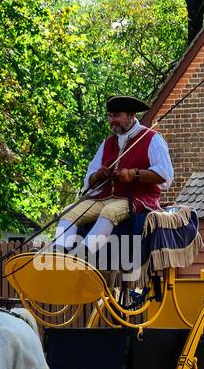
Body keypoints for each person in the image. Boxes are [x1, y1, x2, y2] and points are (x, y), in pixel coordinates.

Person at [53, 95, 173, 252]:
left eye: (117, 115)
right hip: (104, 198)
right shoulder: (108, 142)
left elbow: (165, 175)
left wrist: (134, 174)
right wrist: (98, 176)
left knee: (109, 212)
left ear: (131, 115)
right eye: (110, 116)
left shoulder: (151, 138)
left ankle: (83, 256)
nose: (112, 120)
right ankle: (58, 254)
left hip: (137, 199)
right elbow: (90, 181)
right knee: (69, 212)